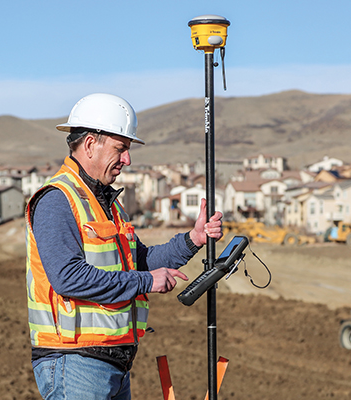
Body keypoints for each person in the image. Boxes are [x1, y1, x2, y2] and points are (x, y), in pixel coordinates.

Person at [25, 93, 223, 399]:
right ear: (90, 144)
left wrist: (193, 239)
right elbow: (67, 277)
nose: (127, 160)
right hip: (75, 363)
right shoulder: (57, 200)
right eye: (121, 149)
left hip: (112, 363)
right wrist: (146, 281)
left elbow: (139, 260)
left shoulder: (107, 204)